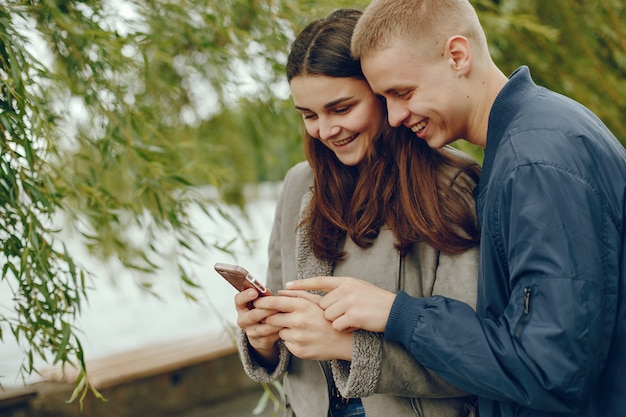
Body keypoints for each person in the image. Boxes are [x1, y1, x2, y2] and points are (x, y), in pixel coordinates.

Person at [287, 1, 626, 416]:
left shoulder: (535, 161)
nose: (393, 117)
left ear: (457, 56)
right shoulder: (528, 144)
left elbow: (550, 369)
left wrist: (399, 314)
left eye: (403, 93)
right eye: (384, 99)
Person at [234, 8, 483, 417]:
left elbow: (473, 359)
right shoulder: (299, 185)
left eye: (342, 108)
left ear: (383, 91)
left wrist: (347, 346)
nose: (326, 130)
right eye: (310, 116)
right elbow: (283, 340)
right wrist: (262, 338)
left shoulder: (452, 188)